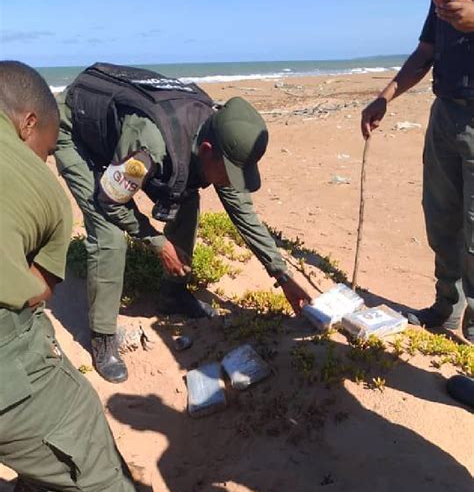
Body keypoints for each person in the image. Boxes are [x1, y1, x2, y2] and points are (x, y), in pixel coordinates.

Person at [0, 60, 222, 492]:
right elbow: (41, 285)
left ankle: (35, 476)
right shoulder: (47, 180)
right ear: (28, 124)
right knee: (89, 457)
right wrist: (152, 239)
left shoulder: (202, 129)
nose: (45, 158)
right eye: (43, 147)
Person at [55, 62, 310, 382]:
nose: (230, 182)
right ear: (207, 151)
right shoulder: (151, 146)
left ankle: (172, 295)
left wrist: (282, 275)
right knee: (109, 235)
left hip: (124, 139)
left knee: (187, 199)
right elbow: (111, 200)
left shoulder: (217, 135)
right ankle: (102, 337)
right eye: (229, 173)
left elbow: (244, 214)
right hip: (76, 131)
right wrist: (158, 243)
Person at [361, 0, 474, 344]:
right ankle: (446, 308)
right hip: (445, 113)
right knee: (441, 216)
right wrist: (385, 96)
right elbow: (426, 52)